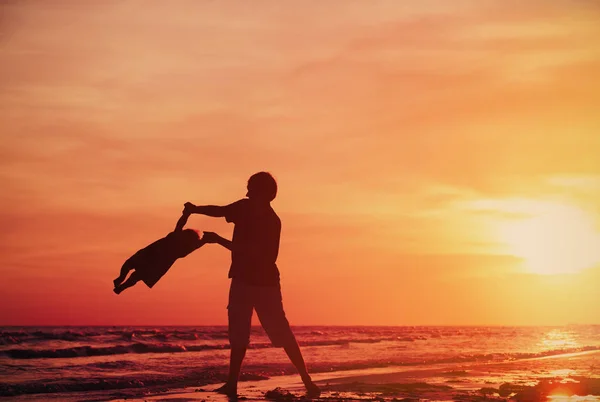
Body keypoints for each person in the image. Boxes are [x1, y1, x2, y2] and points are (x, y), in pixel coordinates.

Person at [184, 172, 320, 398]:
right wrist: (195, 208)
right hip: (240, 279)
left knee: (281, 332)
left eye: (250, 188)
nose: (246, 192)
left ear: (263, 193)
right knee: (238, 334)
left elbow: (263, 256)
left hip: (265, 284)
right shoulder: (243, 207)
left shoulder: (272, 221)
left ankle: (308, 381)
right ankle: (232, 384)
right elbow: (220, 210)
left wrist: (219, 240)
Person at [113, 212, 205, 294]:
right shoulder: (178, 238)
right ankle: (120, 281)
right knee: (130, 265)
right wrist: (186, 214)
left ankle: (121, 286)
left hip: (156, 262)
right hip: (151, 254)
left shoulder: (182, 246)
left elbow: (180, 224)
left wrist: (187, 214)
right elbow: (180, 224)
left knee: (135, 274)